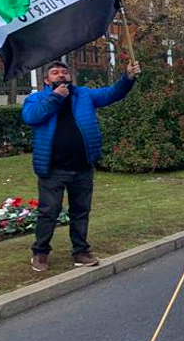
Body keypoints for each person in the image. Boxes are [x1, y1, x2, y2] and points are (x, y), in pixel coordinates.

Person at [22, 60, 138, 273]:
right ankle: (40, 252)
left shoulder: (84, 95)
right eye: (55, 73)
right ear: (46, 80)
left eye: (64, 72)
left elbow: (111, 94)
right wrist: (56, 97)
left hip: (82, 167)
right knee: (49, 212)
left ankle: (81, 251)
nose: (61, 75)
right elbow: (31, 117)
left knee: (80, 211)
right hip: (52, 170)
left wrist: (127, 78)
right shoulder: (36, 99)